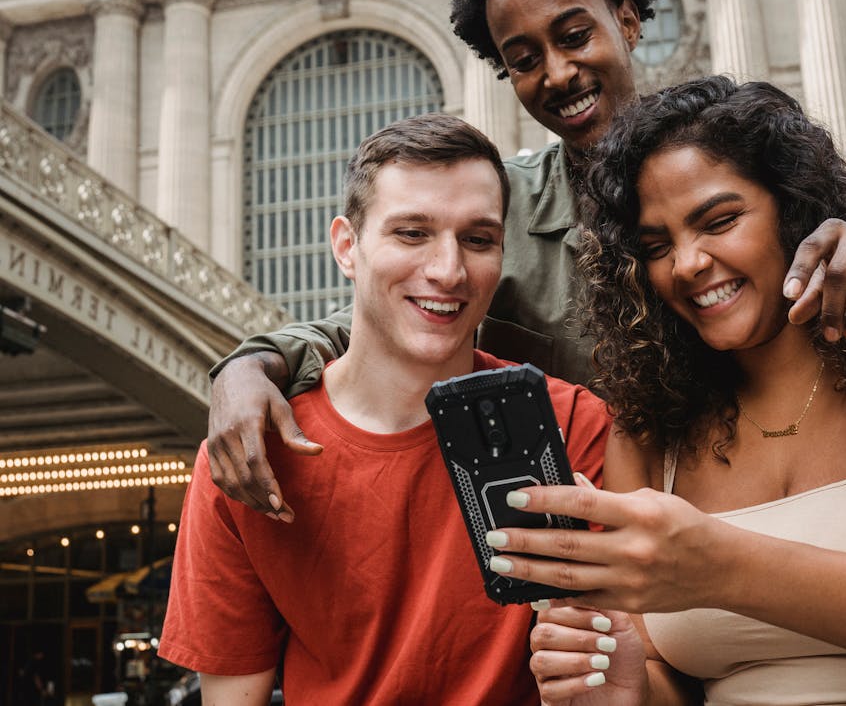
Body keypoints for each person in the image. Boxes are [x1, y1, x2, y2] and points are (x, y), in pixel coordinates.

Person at [205, 0, 846, 523]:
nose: (556, 72)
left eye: (572, 34)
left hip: (780, 513)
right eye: (522, 60)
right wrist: (251, 364)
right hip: (602, 547)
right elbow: (384, 326)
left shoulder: (742, 157)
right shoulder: (498, 211)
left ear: (625, 17)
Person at [482, 77, 846, 705]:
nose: (687, 264)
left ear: (795, 209)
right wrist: (628, 688)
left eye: (720, 221)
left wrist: (720, 567)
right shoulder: (652, 423)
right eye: (657, 247)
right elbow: (668, 675)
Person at [158, 114, 610, 704]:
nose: (448, 271)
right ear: (346, 246)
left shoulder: (572, 424)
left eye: (478, 239)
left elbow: (613, 663)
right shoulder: (247, 457)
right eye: (412, 234)